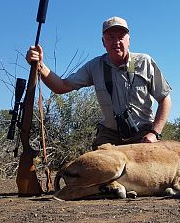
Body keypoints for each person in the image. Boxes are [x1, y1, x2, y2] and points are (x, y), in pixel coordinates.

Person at [26, 16, 171, 149]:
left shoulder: (144, 62)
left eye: (121, 37)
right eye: (111, 37)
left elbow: (165, 99)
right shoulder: (95, 66)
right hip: (110, 134)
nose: (116, 42)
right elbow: (61, 86)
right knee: (95, 169)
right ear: (103, 42)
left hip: (142, 133)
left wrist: (154, 133)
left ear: (129, 40)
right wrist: (40, 65)